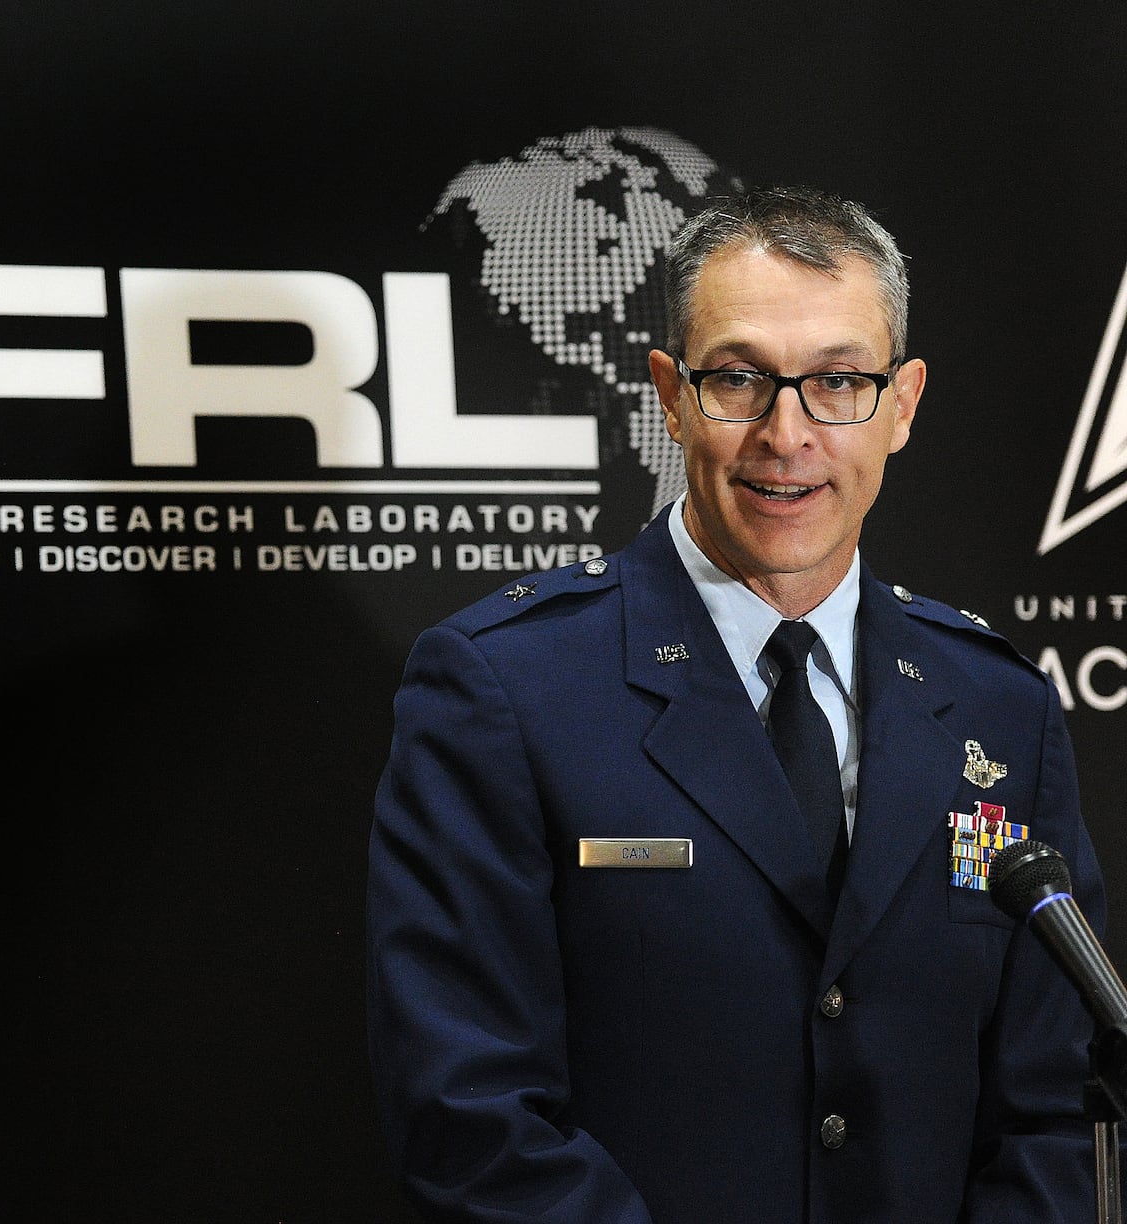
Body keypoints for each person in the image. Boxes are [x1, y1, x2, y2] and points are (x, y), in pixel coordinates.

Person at [365, 185, 1108, 1222]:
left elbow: (1052, 1107)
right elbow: (469, 1113)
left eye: (839, 382)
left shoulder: (997, 703)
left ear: (901, 406)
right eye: (739, 380)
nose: (785, 434)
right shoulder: (505, 687)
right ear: (669, 392)